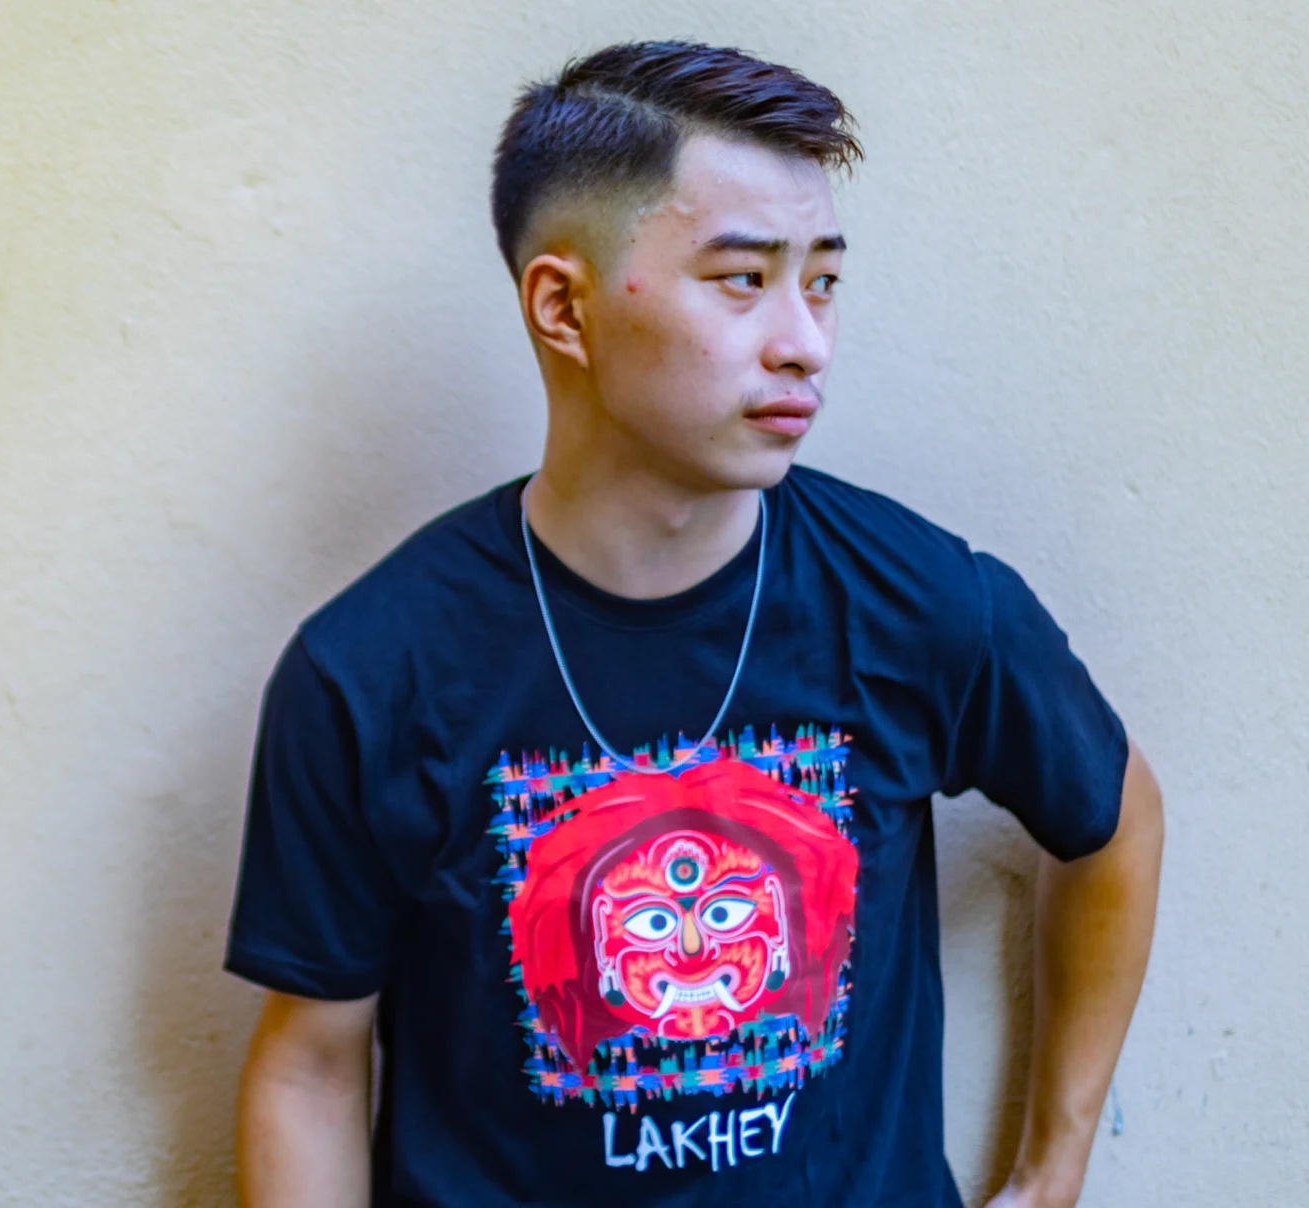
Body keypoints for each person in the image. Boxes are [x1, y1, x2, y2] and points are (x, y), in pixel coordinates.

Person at [222, 40, 1163, 1207]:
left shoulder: (918, 601)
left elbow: (1114, 820)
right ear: (563, 307)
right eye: (741, 279)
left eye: (821, 281)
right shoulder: (371, 669)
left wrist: (1050, 1174)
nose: (804, 340)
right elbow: (310, 1066)